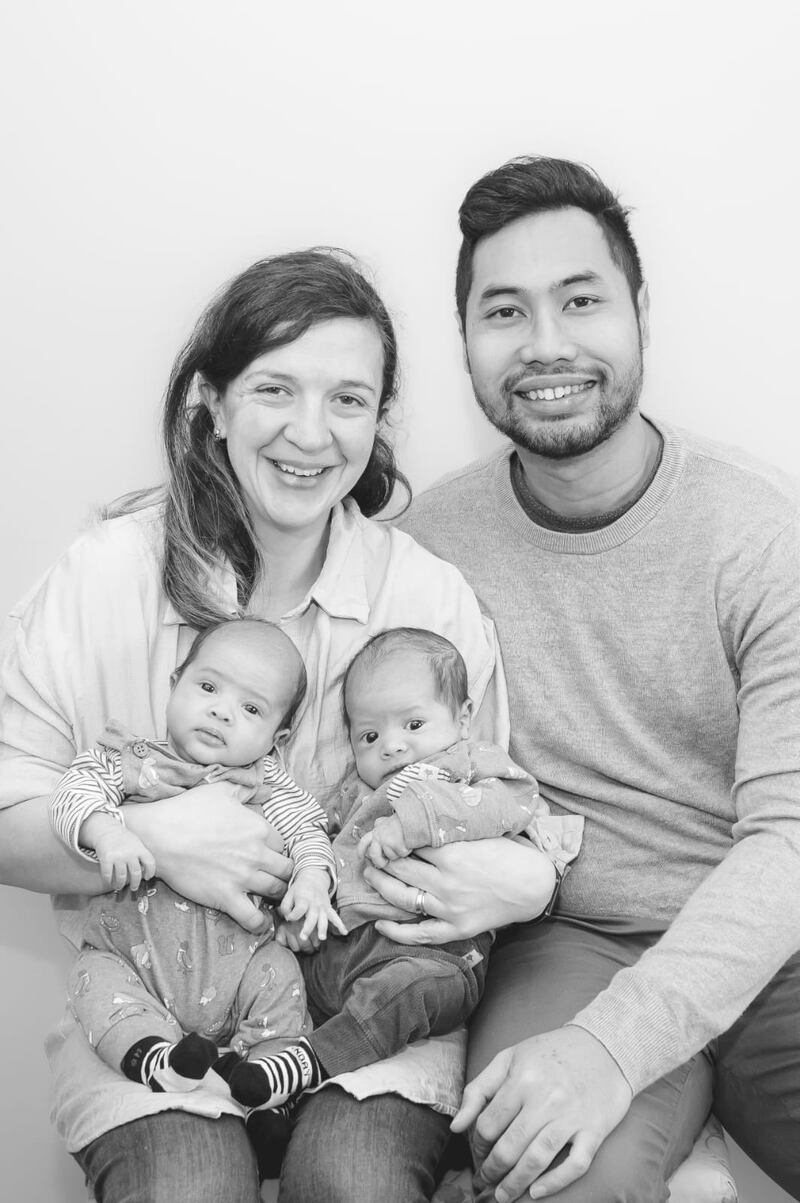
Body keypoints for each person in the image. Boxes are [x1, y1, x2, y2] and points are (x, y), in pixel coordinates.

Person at [0, 247, 557, 1203]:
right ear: (212, 402)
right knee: (185, 1188)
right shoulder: (103, 577)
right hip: (156, 999)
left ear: (381, 421)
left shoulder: (424, 595)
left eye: (348, 399)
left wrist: (523, 875)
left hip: (366, 1027)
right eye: (274, 389)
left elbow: (493, 810)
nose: (311, 432)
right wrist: (150, 840)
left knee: (354, 1182)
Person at [397, 156, 800, 1202]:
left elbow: (788, 841)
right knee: (539, 1171)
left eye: (579, 300)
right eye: (503, 311)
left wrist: (615, 1049)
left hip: (768, 940)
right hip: (567, 941)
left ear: (636, 314)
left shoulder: (759, 533)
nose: (544, 345)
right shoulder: (428, 553)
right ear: (467, 344)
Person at [231, 627, 581, 1111]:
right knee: (277, 972)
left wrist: (415, 821)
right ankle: (275, 1093)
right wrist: (302, 912)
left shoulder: (467, 764)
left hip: (431, 955)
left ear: (462, 719)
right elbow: (320, 850)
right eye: (370, 736)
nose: (392, 747)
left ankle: (314, 1060)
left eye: (413, 725)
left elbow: (512, 803)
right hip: (340, 953)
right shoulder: (354, 795)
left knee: (412, 990)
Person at [49, 616, 343, 1099]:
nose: (222, 712)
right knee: (91, 977)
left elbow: (311, 835)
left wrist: (312, 881)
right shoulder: (130, 762)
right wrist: (106, 830)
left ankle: (268, 1084)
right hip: (133, 968)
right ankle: (156, 1060)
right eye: (208, 686)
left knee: (282, 974)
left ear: (278, 739)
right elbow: (69, 794)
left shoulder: (271, 792)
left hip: (239, 973)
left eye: (251, 708)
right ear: (174, 684)